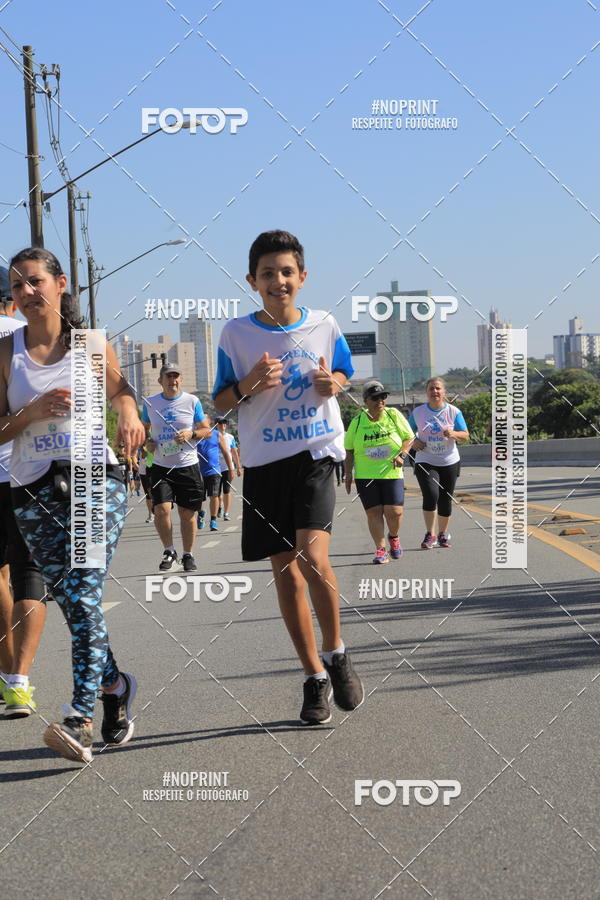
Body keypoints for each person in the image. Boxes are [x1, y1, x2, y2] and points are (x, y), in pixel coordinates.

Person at [213, 229, 363, 726]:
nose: (278, 280)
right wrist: (248, 385)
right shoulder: (236, 334)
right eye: (268, 273)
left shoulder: (324, 323)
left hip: (316, 453)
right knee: (286, 572)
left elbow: (343, 374)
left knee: (312, 555)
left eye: (287, 271)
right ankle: (313, 675)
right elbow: (221, 402)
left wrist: (332, 383)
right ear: (252, 280)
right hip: (263, 463)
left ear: (302, 277)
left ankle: (337, 651)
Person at [1, 247, 145, 762]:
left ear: (61, 284)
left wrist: (128, 413)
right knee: (73, 604)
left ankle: (79, 719)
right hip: (32, 488)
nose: (27, 292)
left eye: (36, 281)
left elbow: (123, 392)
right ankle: (116, 686)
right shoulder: (5, 352)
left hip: (92, 479)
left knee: (82, 595)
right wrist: (29, 412)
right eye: (18, 285)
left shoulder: (89, 344)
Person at [0, 287, 49, 718]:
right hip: (29, 474)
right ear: (11, 302)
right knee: (29, 573)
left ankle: (9, 675)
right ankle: (18, 677)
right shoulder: (26, 339)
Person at [143, 364, 211, 572]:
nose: (172, 380)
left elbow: (207, 430)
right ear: (160, 380)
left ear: (181, 380)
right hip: (160, 465)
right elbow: (143, 430)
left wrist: (192, 434)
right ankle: (169, 550)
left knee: (186, 513)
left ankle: (188, 554)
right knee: (161, 509)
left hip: (187, 465)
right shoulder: (150, 402)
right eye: (168, 376)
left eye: (176, 376)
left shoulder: (192, 401)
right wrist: (147, 442)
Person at [344, 381, 414, 564]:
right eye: (375, 398)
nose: (380, 401)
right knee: (373, 512)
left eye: (383, 397)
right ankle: (380, 550)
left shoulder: (393, 415)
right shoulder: (357, 422)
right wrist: (348, 474)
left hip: (391, 472)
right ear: (366, 400)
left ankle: (394, 537)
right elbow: (349, 450)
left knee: (395, 512)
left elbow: (409, 437)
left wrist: (402, 454)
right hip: (366, 475)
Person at [409, 376, 469, 548]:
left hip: (449, 460)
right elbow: (405, 432)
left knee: (445, 499)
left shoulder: (454, 412)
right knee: (431, 494)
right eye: (431, 389)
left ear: (443, 392)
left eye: (438, 388)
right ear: (426, 392)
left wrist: (453, 434)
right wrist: (414, 441)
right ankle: (430, 534)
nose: (434, 391)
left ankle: (442, 534)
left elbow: (465, 435)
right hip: (425, 459)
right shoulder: (418, 413)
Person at [196, 417, 234, 531]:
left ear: (209, 422)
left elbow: (226, 452)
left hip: (214, 470)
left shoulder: (216, 434)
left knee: (214, 496)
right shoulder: (194, 435)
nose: (201, 421)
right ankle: (201, 513)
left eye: (204, 419)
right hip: (198, 471)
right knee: (198, 498)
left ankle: (213, 520)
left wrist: (231, 468)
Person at [214, 417, 241, 520]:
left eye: (225, 424)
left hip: (227, 468)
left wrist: (238, 467)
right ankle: (219, 506)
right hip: (215, 468)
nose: (223, 426)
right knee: (216, 492)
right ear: (216, 425)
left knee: (226, 490)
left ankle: (226, 513)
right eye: (220, 424)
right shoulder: (212, 436)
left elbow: (234, 452)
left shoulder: (230, 437)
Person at [138, 446, 154, 522]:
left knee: (157, 493)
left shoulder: (154, 441)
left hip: (154, 471)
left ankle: (158, 512)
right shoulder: (140, 446)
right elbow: (140, 456)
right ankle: (151, 514)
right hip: (143, 472)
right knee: (148, 495)